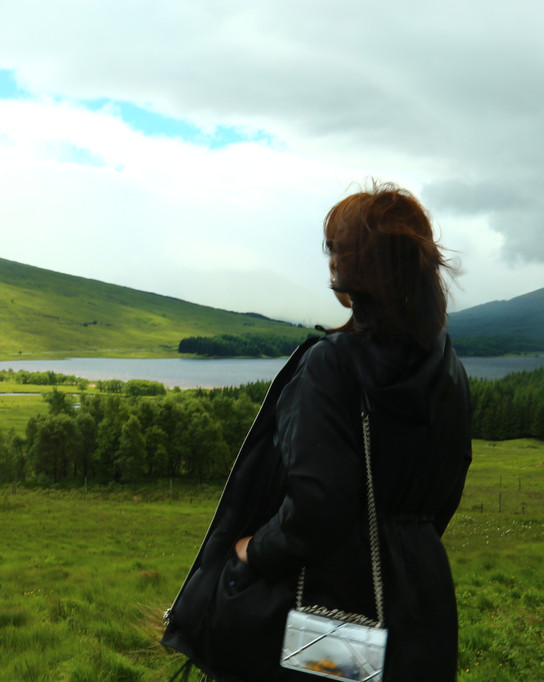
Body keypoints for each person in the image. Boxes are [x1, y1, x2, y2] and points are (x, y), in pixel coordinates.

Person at [161, 183, 472, 681]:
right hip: (425, 608)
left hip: (337, 611)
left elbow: (318, 504)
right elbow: (448, 488)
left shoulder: (332, 363)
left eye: (337, 248)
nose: (330, 259)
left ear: (355, 268)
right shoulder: (447, 365)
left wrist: (254, 549)